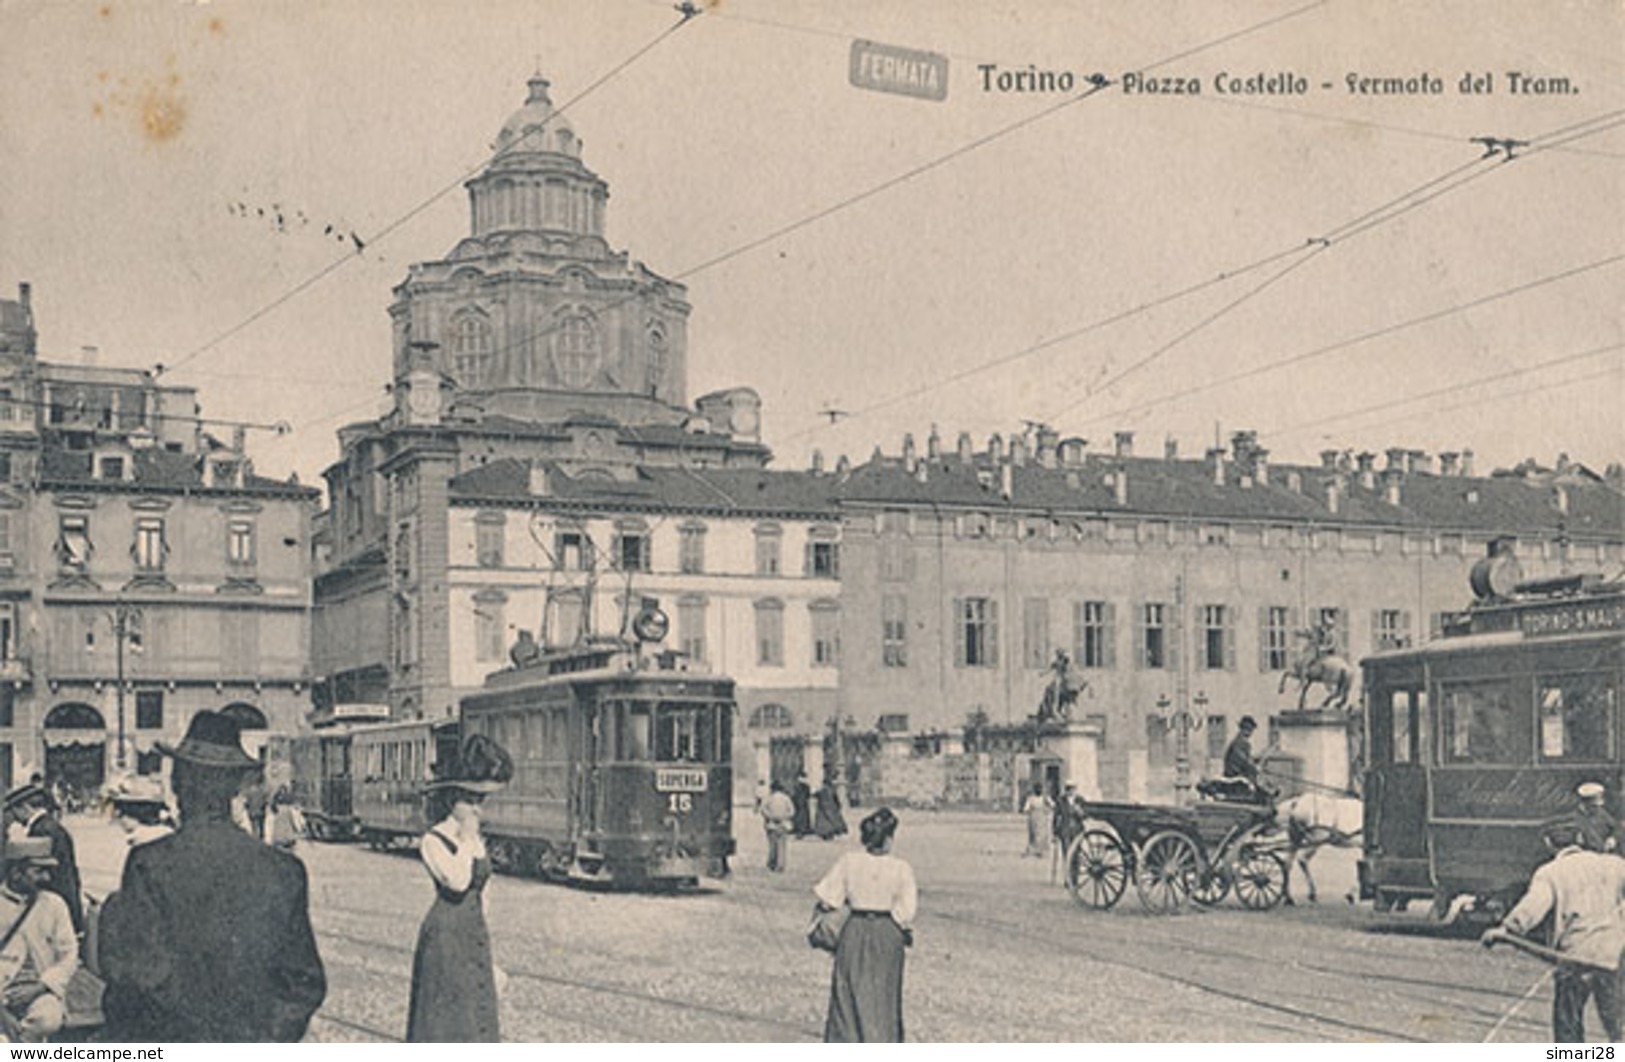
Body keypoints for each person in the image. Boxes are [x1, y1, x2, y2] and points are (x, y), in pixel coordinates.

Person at [98, 710, 326, 1042]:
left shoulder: (148, 863)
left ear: (177, 784)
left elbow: (134, 976)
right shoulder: (284, 870)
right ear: (235, 787)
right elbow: (304, 983)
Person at [407, 734, 512, 1043]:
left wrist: (487, 952)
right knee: (447, 1021)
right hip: (444, 938)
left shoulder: (474, 839)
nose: (477, 809)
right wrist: (466, 840)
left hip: (471, 934)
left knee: (476, 1016)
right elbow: (458, 880)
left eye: (480, 801)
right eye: (470, 801)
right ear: (451, 800)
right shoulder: (434, 840)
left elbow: (483, 891)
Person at [1482, 817, 1625, 1042]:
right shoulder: (1614, 864)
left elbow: (1532, 909)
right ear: (1579, 839)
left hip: (1575, 956)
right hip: (1614, 955)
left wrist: (1504, 930)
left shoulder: (1550, 873)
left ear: (1549, 843)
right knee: (1617, 1026)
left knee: (1568, 1025)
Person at [813, 807, 917, 1043]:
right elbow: (906, 910)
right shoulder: (901, 868)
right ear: (889, 839)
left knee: (847, 993)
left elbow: (828, 898)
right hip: (887, 932)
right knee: (883, 994)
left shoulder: (849, 862)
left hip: (855, 930)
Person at [0, 837, 79, 1042]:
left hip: (38, 990)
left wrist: (42, 986)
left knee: (49, 1019)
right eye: (38, 871)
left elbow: (69, 954)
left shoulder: (54, 904)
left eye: (48, 871)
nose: (46, 877)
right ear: (16, 872)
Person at [3, 782, 83, 936]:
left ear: (25, 807)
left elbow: (51, 875)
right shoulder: (50, 826)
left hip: (55, 906)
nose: (14, 819)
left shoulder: (42, 830)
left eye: (14, 812)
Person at [1576, 782, 1620, 854]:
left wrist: (1612, 838)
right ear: (1585, 803)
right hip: (1585, 854)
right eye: (1593, 806)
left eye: (1597, 806)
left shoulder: (1601, 814)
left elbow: (1616, 827)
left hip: (1604, 852)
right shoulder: (1575, 816)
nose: (1597, 808)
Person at [761, 781, 795, 873]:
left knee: (772, 845)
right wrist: (784, 816)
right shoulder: (786, 798)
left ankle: (772, 863)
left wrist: (771, 816)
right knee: (782, 846)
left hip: (772, 824)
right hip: (784, 824)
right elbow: (792, 811)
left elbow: (763, 810)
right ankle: (781, 865)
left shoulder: (769, 798)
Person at [1022, 784, 1052, 858]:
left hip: (1043, 818)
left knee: (1042, 834)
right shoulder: (1031, 799)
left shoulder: (1045, 798)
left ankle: (1041, 851)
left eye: (1040, 789)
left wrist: (1047, 810)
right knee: (1034, 834)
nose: (1038, 791)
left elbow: (1052, 805)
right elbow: (1026, 808)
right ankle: (1033, 849)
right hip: (1034, 818)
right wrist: (1030, 811)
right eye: (1037, 789)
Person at [241, 777, 270, 842]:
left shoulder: (249, 791)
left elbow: (246, 802)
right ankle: (261, 838)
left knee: (253, 825)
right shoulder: (262, 791)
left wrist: (248, 807)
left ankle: (255, 837)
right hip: (261, 811)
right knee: (261, 825)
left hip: (252, 811)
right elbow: (266, 801)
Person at [791, 773, 814, 838]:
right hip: (802, 804)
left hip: (800, 804)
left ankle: (800, 830)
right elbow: (808, 795)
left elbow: (794, 795)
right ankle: (802, 830)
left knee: (800, 817)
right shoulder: (805, 787)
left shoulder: (798, 787)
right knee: (802, 817)